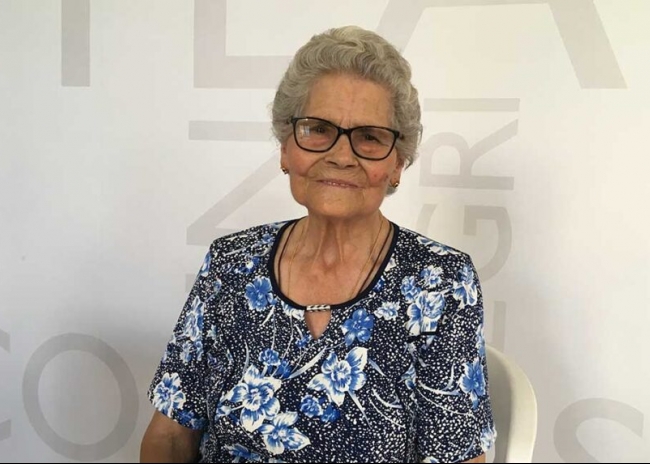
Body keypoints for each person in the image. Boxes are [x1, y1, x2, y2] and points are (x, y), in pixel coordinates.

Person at [140, 25, 496, 463]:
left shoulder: (439, 284)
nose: (342, 156)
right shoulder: (230, 264)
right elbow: (170, 436)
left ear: (397, 163)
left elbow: (459, 457)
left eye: (369, 137)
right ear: (286, 149)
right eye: (318, 129)